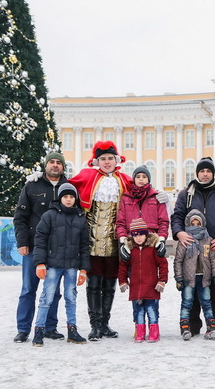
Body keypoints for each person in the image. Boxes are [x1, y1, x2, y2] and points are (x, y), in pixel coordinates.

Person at [69, 141, 133, 341]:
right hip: (92, 241)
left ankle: (105, 323)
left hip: (115, 243)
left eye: (110, 158)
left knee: (110, 284)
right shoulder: (87, 176)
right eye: (103, 159)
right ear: (97, 161)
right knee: (94, 284)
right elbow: (65, 186)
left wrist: (159, 197)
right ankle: (95, 325)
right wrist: (42, 180)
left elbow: (143, 190)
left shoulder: (124, 180)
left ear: (117, 160)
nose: (107, 162)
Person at [171, 157, 215, 336]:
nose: (205, 174)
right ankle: (192, 325)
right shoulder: (186, 194)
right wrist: (179, 233)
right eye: (202, 171)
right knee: (190, 286)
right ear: (197, 173)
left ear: (213, 173)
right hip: (191, 250)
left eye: (208, 171)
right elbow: (177, 216)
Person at [13, 152, 68, 343]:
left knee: (54, 290)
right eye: (51, 162)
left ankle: (49, 327)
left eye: (58, 163)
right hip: (34, 247)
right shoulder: (32, 186)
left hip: (58, 248)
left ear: (63, 167)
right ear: (45, 165)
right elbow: (20, 217)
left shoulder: (68, 187)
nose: (55, 165)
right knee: (29, 289)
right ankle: (23, 329)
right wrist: (22, 242)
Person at [31, 183, 90, 347]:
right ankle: (39, 331)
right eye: (66, 196)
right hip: (53, 264)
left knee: (71, 298)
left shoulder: (80, 217)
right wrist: (40, 263)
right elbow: (40, 239)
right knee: (47, 297)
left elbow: (85, 245)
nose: (69, 200)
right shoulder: (49, 215)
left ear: (75, 199)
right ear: (60, 198)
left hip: (71, 265)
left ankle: (72, 330)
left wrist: (84, 269)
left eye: (71, 197)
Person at [118, 218, 168, 343]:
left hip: (152, 287)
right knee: (138, 312)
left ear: (146, 234)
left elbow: (163, 265)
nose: (138, 238)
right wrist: (123, 281)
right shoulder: (130, 250)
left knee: (152, 311)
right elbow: (123, 266)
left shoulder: (153, 249)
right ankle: (140, 332)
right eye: (135, 235)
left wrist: (162, 281)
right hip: (136, 288)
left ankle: (154, 331)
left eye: (141, 234)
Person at [174, 209, 215, 341]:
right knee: (187, 303)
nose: (195, 226)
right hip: (189, 279)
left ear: (202, 224)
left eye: (198, 223)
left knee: (206, 302)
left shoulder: (207, 240)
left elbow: (213, 260)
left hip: (204, 278)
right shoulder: (185, 240)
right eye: (192, 223)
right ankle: (185, 327)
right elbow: (178, 261)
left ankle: (211, 327)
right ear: (188, 224)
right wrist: (178, 278)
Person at [116, 164, 169, 257]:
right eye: (138, 177)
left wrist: (161, 239)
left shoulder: (156, 197)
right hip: (132, 242)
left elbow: (163, 221)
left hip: (152, 242)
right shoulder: (126, 198)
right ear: (134, 179)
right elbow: (120, 222)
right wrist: (123, 242)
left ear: (148, 179)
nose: (141, 179)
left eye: (144, 177)